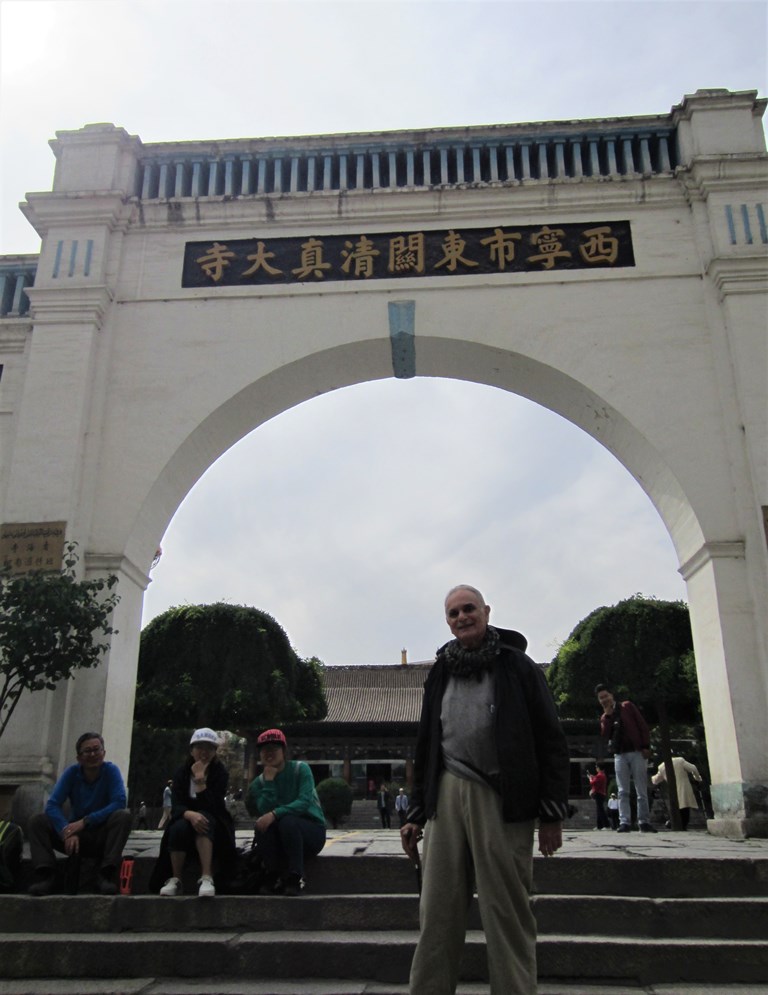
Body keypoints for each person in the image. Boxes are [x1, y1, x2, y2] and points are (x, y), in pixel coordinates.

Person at [400, 584, 570, 995]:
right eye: (454, 613)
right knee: (437, 910)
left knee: (507, 908)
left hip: (502, 795)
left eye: (469, 609)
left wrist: (551, 813)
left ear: (487, 611)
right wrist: (415, 812)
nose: (462, 618)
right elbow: (427, 742)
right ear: (448, 622)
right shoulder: (440, 670)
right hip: (446, 793)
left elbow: (550, 739)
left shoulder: (518, 667)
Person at [26, 731, 132, 896]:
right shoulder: (71, 773)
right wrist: (66, 831)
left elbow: (119, 802)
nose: (92, 754)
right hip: (74, 837)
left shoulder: (111, 771)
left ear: (103, 752)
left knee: (123, 816)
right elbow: (53, 805)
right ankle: (46, 875)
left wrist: (86, 821)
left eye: (96, 749)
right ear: (79, 757)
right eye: (87, 751)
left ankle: (105, 874)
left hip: (99, 833)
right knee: (37, 821)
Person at [150, 727, 236, 898]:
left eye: (209, 748)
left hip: (214, 819)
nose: (204, 752)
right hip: (186, 816)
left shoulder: (220, 773)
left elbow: (214, 806)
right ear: (192, 750)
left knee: (204, 822)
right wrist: (189, 814)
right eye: (199, 748)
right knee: (178, 828)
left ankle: (206, 876)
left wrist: (200, 781)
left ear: (215, 751)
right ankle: (176, 878)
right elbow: (176, 803)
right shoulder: (181, 772)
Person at [246, 728, 327, 896]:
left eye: (274, 749)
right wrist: (269, 782)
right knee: (262, 825)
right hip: (281, 837)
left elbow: (303, 802)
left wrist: (276, 814)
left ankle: (295, 876)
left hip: (310, 833)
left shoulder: (300, 769)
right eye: (264, 750)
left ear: (283, 751)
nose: (269, 753)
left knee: (287, 821)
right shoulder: (258, 783)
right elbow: (264, 810)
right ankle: (272, 873)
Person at [595, 683, 656, 834]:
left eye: (605, 696)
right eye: (600, 698)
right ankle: (625, 822)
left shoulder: (627, 706)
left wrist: (646, 746)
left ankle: (644, 821)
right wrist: (608, 716)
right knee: (622, 790)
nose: (604, 700)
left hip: (636, 752)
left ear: (612, 695)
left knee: (641, 789)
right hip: (620, 754)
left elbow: (642, 725)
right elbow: (605, 735)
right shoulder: (605, 717)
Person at [651, 756, 703, 830]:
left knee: (677, 807)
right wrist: (697, 778)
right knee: (685, 807)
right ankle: (682, 825)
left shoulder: (662, 766)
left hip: (673, 790)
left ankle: (675, 823)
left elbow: (656, 780)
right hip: (684, 787)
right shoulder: (680, 761)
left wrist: (653, 781)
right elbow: (693, 768)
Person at [587, 764, 609, 830]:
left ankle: (606, 825)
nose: (596, 768)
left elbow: (593, 783)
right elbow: (596, 781)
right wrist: (593, 777)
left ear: (599, 768)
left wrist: (590, 778)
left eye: (596, 767)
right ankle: (600, 825)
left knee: (600, 810)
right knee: (599, 810)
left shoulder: (600, 775)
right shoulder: (601, 775)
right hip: (601, 794)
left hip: (599, 794)